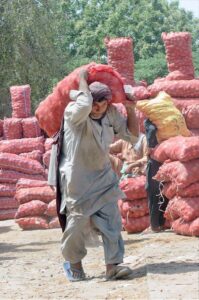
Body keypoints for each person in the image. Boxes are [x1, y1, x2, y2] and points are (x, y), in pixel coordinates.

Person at [48, 69, 139, 281]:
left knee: (111, 221)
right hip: (77, 179)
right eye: (93, 101)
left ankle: (113, 266)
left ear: (108, 103)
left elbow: (132, 136)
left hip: (103, 176)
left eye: (102, 102)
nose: (96, 107)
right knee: (77, 223)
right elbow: (84, 104)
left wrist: (131, 109)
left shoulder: (111, 114)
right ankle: (74, 264)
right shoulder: (74, 112)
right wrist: (81, 80)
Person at [144, 119, 169, 232]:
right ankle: (161, 223)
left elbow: (152, 130)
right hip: (168, 156)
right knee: (166, 189)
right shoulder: (169, 119)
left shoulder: (151, 119)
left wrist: (149, 146)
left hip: (155, 158)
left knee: (153, 190)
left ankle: (154, 225)